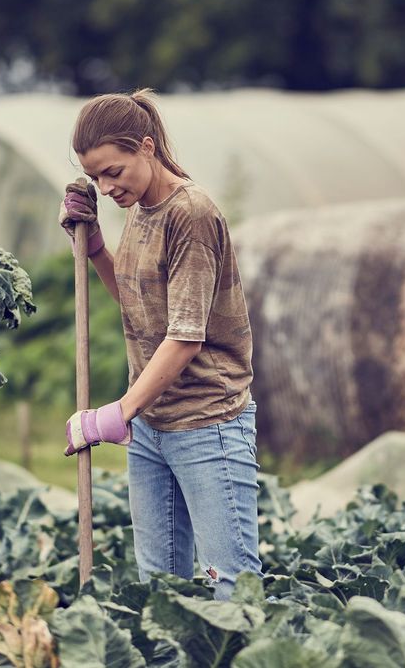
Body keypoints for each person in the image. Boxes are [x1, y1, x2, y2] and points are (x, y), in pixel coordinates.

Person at [58, 89, 261, 599]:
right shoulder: (141, 208)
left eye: (114, 172)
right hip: (151, 428)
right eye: (97, 176)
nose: (106, 187)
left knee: (231, 587)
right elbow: (135, 300)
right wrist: (94, 243)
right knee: (161, 590)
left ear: (145, 147)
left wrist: (117, 412)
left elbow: (185, 337)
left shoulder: (189, 215)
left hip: (207, 424)